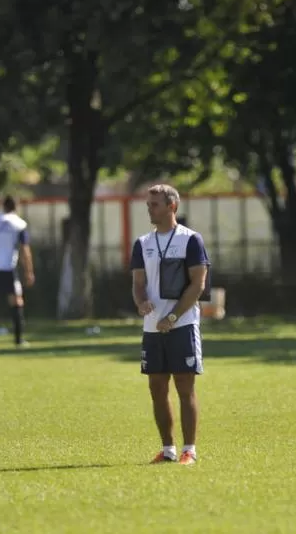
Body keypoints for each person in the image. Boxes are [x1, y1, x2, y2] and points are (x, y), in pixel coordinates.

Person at [130, 184, 210, 466]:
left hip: (183, 325)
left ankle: (190, 450)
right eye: (148, 204)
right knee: (156, 388)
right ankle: (167, 450)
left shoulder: (191, 240)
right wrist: (141, 304)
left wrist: (173, 317)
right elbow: (138, 284)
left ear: (172, 206)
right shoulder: (142, 243)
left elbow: (197, 284)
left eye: (155, 204)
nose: (149, 209)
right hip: (153, 329)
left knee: (185, 387)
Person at [0, 195, 35, 347]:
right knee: (16, 301)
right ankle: (18, 339)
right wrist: (29, 271)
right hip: (7, 267)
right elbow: (25, 249)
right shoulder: (20, 224)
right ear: (16, 206)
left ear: (3, 206)